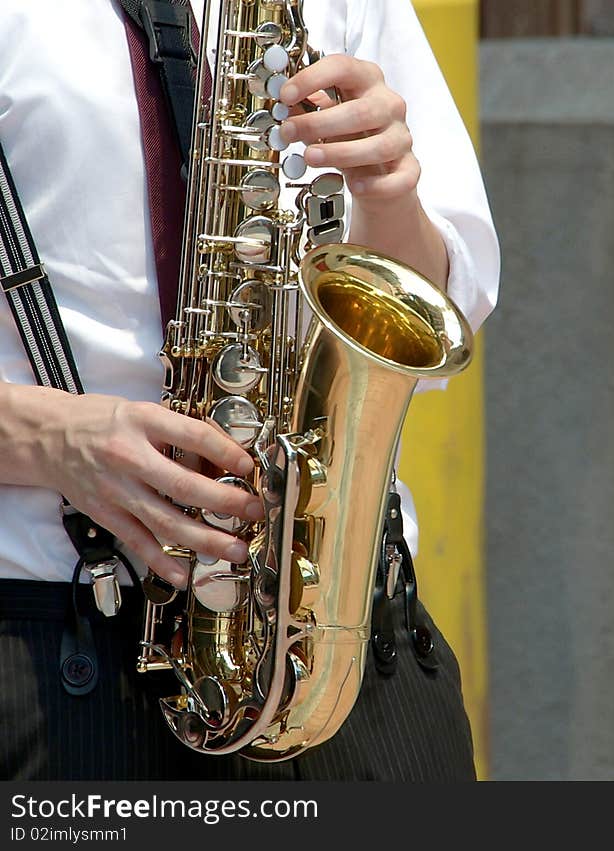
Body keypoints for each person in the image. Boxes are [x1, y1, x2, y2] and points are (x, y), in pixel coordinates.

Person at [0, 0, 499, 781]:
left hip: (352, 652)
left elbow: (436, 320)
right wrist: (44, 437)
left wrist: (389, 191)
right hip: (57, 664)